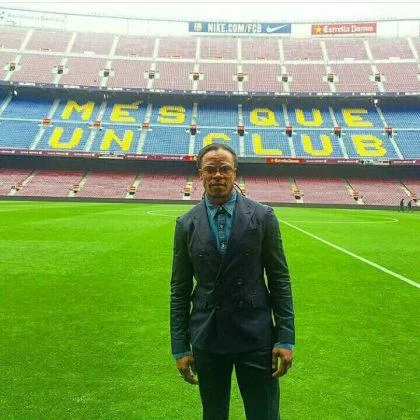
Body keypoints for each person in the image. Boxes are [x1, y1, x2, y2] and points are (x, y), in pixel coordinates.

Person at [170, 143, 295, 420]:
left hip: (256, 335)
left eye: (224, 168)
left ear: (235, 173)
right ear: (200, 174)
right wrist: (180, 346)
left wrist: (285, 337)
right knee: (214, 414)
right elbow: (179, 289)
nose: (218, 175)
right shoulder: (186, 224)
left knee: (263, 414)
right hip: (208, 336)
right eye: (210, 169)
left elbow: (279, 280)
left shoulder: (263, 216)